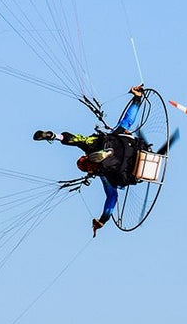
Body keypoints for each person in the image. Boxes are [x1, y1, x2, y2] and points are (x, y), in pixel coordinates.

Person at [33, 86, 145, 236]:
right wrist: (56, 136)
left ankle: (103, 155)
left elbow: (112, 198)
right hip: (111, 143)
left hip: (121, 164)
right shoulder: (91, 150)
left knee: (112, 185)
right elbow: (75, 139)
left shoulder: (104, 177)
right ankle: (138, 97)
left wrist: (103, 220)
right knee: (124, 124)